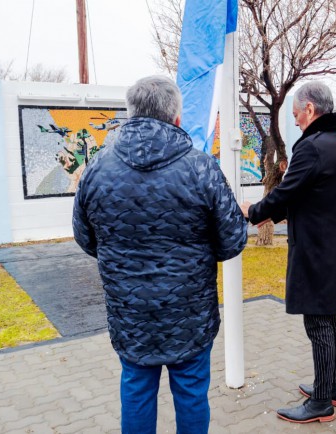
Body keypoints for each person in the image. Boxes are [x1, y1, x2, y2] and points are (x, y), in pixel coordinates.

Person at [73, 75, 247, 434]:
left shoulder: (97, 169)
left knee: (136, 389)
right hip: (189, 313)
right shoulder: (201, 168)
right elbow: (232, 239)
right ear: (177, 118)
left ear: (130, 114)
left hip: (130, 312)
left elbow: (86, 238)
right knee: (191, 393)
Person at [240, 81, 336, 424]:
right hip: (334, 246)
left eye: (296, 114)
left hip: (315, 249)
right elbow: (309, 194)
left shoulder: (313, 147)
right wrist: (273, 212)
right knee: (331, 319)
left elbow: (287, 192)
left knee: (318, 323)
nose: (294, 121)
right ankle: (333, 388)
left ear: (310, 109)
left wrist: (253, 211)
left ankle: (320, 403)